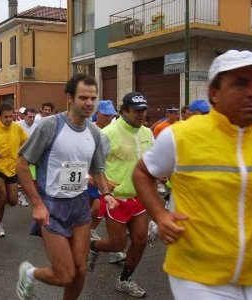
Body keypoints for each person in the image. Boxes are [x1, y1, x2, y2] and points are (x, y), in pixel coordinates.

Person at [132, 50, 252, 299]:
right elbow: (142, 172)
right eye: (240, 83)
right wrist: (160, 215)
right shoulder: (180, 136)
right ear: (214, 93)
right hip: (195, 276)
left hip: (250, 277)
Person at [16, 73, 118, 300]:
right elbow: (22, 164)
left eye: (93, 98)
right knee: (65, 274)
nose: (89, 103)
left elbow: (97, 170)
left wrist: (107, 193)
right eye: (83, 97)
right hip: (52, 207)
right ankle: (29, 273)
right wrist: (37, 204)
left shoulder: (94, 134)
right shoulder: (51, 125)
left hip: (80, 206)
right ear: (69, 98)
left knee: (81, 271)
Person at [87, 92, 153, 298]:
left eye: (144, 110)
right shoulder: (108, 133)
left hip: (139, 197)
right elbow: (91, 162)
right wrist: (101, 181)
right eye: (136, 111)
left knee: (140, 240)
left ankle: (125, 280)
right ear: (124, 111)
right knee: (118, 244)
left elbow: (153, 160)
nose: (142, 115)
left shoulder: (148, 133)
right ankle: (94, 245)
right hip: (115, 198)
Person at [88, 100, 126, 264]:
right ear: (98, 113)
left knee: (102, 210)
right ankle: (83, 234)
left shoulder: (115, 130)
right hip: (92, 176)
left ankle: (111, 248)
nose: (110, 117)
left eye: (112, 114)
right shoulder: (90, 129)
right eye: (106, 114)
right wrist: (88, 174)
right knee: (93, 208)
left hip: (109, 180)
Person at [0, 103, 28, 237]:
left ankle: (0, 211)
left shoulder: (17, 127)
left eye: (11, 116)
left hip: (12, 168)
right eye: (6, 117)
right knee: (2, 198)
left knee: (13, 201)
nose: (9, 119)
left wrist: (22, 154)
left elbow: (26, 141)